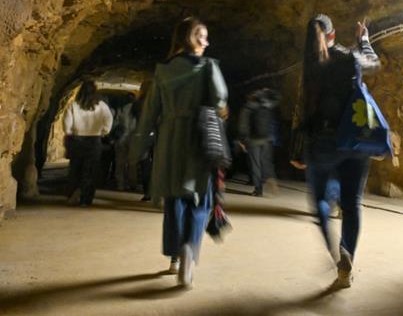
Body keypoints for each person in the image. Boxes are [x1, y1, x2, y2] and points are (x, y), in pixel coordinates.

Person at [135, 17, 229, 289]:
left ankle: (174, 257)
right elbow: (220, 99)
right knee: (198, 199)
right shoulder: (208, 67)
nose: (207, 42)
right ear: (193, 39)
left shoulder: (162, 71)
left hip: (169, 140)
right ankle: (190, 249)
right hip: (199, 139)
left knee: (174, 198)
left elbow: (150, 112)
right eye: (204, 36)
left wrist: (138, 146)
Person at [291, 14, 379, 288]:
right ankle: (346, 254)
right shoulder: (348, 57)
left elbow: (303, 108)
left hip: (322, 143)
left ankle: (333, 252)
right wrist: (363, 40)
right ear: (332, 34)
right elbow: (373, 64)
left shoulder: (310, 68)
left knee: (319, 199)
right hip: (353, 140)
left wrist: (298, 147)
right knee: (352, 204)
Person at [62, 80, 113, 207]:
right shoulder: (101, 106)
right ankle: (86, 198)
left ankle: (72, 194)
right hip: (94, 140)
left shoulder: (73, 105)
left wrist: (69, 132)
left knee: (75, 168)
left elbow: (67, 121)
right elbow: (108, 119)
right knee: (90, 170)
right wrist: (104, 131)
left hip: (77, 139)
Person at [238, 88, 280, 196]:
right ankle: (270, 178)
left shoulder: (248, 107)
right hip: (267, 139)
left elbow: (243, 125)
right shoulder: (267, 105)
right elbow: (278, 98)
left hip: (253, 140)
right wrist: (269, 91)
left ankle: (258, 189)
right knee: (266, 162)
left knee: (255, 164)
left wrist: (243, 140)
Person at [113, 94, 137, 191]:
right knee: (132, 163)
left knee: (120, 162)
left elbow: (115, 124)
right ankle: (132, 183)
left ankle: (120, 184)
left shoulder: (121, 109)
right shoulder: (138, 109)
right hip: (134, 138)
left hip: (121, 138)